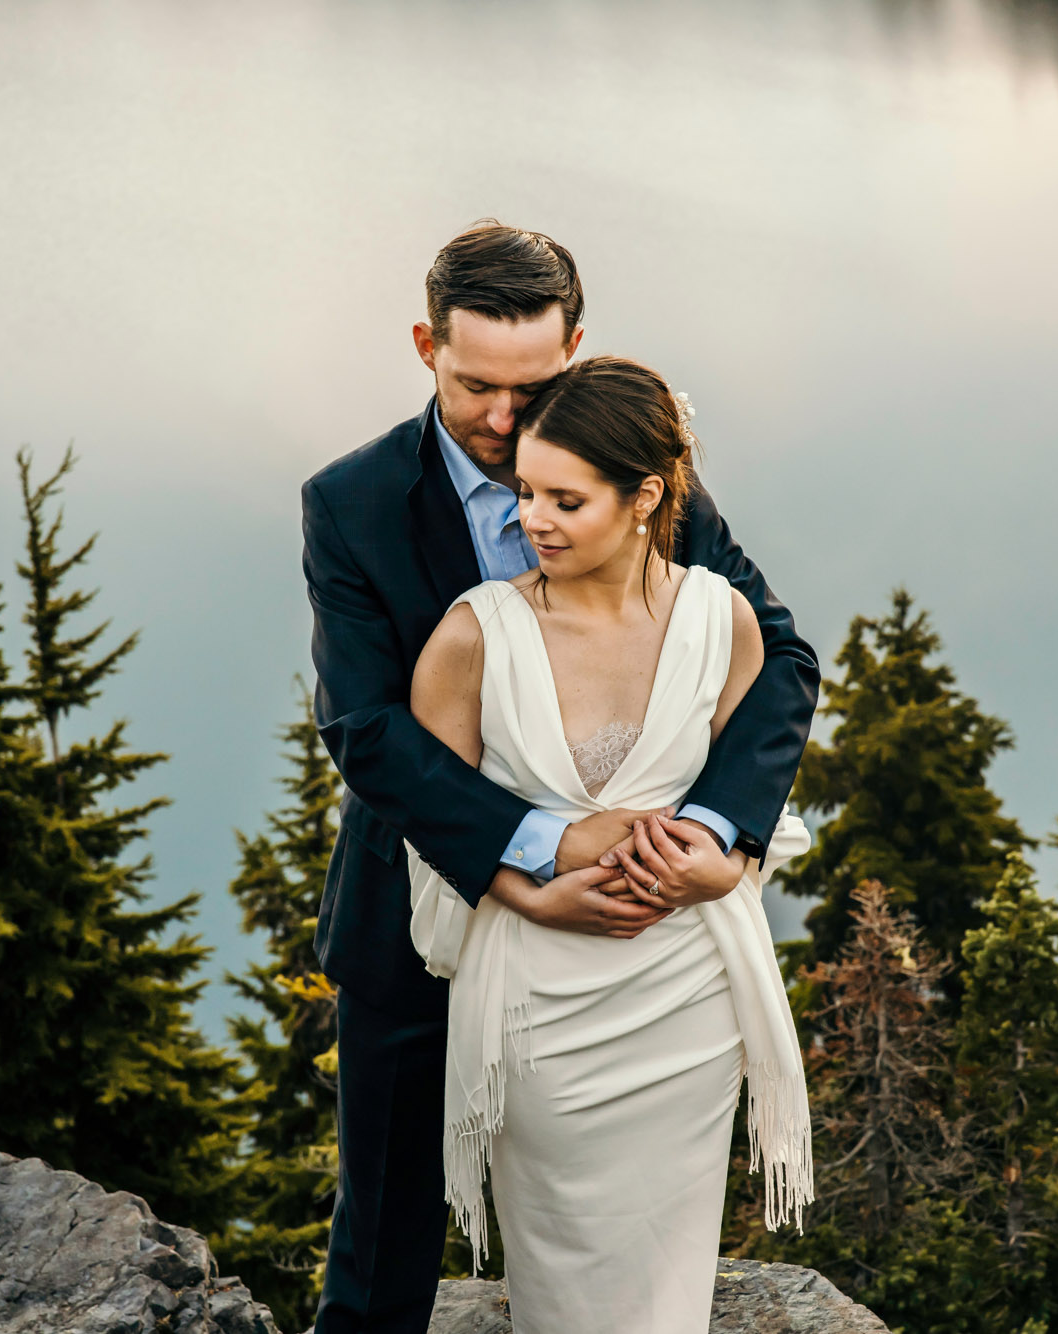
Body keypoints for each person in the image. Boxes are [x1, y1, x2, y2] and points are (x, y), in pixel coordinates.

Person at [300, 221, 818, 1334]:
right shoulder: (348, 503)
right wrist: (538, 854)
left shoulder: (638, 481)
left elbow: (777, 660)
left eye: (527, 387)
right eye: (471, 382)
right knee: (381, 1236)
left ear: (575, 348)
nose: (499, 418)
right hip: (416, 913)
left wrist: (718, 837)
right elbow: (366, 728)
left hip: (639, 949)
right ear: (422, 346)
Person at [407, 355, 815, 1332]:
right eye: (522, 494)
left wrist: (716, 864)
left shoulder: (723, 622)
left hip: (687, 1002)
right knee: (563, 1268)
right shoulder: (473, 635)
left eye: (563, 498)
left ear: (643, 498)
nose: (529, 519)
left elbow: (749, 804)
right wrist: (531, 891)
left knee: (666, 1279)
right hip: (540, 1012)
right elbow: (427, 823)